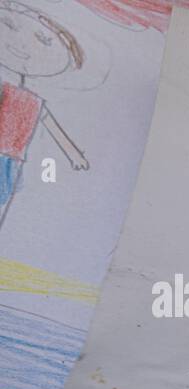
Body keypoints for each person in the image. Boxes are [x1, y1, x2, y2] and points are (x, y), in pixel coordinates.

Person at [0, 2, 88, 230]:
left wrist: (74, 155)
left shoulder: (34, 102)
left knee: (3, 200)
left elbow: (52, 127)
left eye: (44, 41)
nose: (21, 45)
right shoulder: (4, 89)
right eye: (8, 24)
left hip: (12, 161)